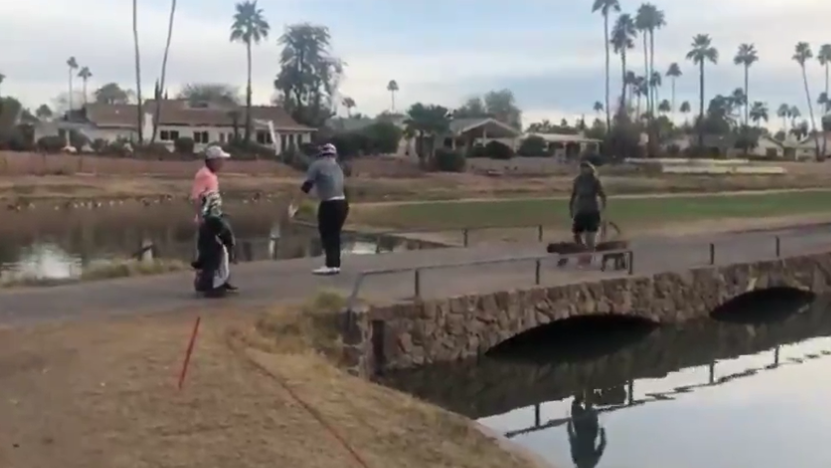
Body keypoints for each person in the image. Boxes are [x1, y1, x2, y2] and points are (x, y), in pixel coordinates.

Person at [290, 143, 349, 275]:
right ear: (334, 154)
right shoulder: (338, 167)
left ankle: (330, 265)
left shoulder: (317, 165)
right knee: (335, 234)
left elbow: (307, 186)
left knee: (326, 234)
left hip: (329, 204)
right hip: (342, 203)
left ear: (322, 153)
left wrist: (295, 205)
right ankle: (335, 264)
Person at [192, 190, 237, 296]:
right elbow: (223, 231)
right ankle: (213, 287)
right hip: (213, 244)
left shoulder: (207, 216)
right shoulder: (212, 217)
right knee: (215, 265)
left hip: (208, 243)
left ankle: (210, 284)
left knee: (215, 264)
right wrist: (229, 242)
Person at [569, 160, 607, 266]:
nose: (582, 170)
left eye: (585, 168)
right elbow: (573, 195)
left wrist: (603, 208)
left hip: (592, 210)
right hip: (581, 210)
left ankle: (588, 256)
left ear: (590, 169)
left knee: (590, 237)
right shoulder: (577, 180)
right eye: (581, 168)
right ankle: (582, 252)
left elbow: (602, 195)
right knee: (576, 234)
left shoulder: (594, 181)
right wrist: (571, 209)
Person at [191, 145, 230, 221]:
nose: (222, 163)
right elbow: (197, 198)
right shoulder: (204, 175)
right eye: (220, 160)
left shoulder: (211, 174)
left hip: (213, 218)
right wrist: (200, 219)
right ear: (214, 161)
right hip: (207, 220)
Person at [567, 394, 607, 468]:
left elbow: (602, 444)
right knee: (576, 404)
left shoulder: (592, 462)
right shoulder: (578, 462)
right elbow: (573, 443)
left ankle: (589, 391)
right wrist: (569, 427)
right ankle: (581, 391)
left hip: (591, 429)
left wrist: (602, 430)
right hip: (580, 426)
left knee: (589, 402)